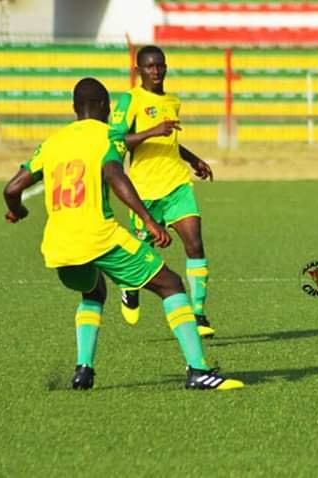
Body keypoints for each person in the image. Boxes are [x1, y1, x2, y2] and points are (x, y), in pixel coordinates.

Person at [3, 77, 243, 391]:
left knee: (94, 292)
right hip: (99, 237)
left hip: (58, 246)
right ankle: (198, 371)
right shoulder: (108, 136)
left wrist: (18, 211)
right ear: (105, 107)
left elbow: (12, 189)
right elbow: (116, 176)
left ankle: (83, 371)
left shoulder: (52, 143)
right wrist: (149, 221)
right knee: (170, 284)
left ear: (74, 108)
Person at [109, 45, 215, 337]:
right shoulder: (130, 100)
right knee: (143, 253)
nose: (156, 71)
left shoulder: (172, 101)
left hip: (177, 185)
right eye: (150, 66)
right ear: (138, 70)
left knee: (195, 244)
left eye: (160, 65)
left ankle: (198, 315)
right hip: (144, 190)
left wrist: (193, 159)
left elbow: (169, 142)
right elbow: (116, 140)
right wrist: (151, 131)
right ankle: (130, 286)